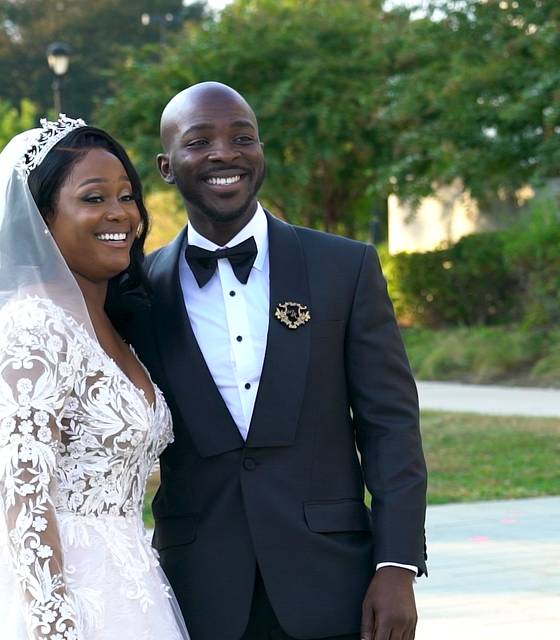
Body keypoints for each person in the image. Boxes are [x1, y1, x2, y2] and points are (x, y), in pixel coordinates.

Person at [120, 82, 428, 640]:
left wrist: (397, 565)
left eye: (243, 138)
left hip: (335, 584)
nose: (224, 153)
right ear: (166, 166)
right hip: (197, 590)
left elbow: (391, 426)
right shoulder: (136, 292)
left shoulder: (344, 268)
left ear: (261, 153)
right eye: (200, 141)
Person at [0, 116, 189, 639]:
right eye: (94, 198)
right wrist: (55, 623)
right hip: (53, 595)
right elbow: (25, 499)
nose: (120, 213)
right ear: (41, 218)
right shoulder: (34, 329)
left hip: (128, 580)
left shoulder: (109, 323)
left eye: (127, 195)